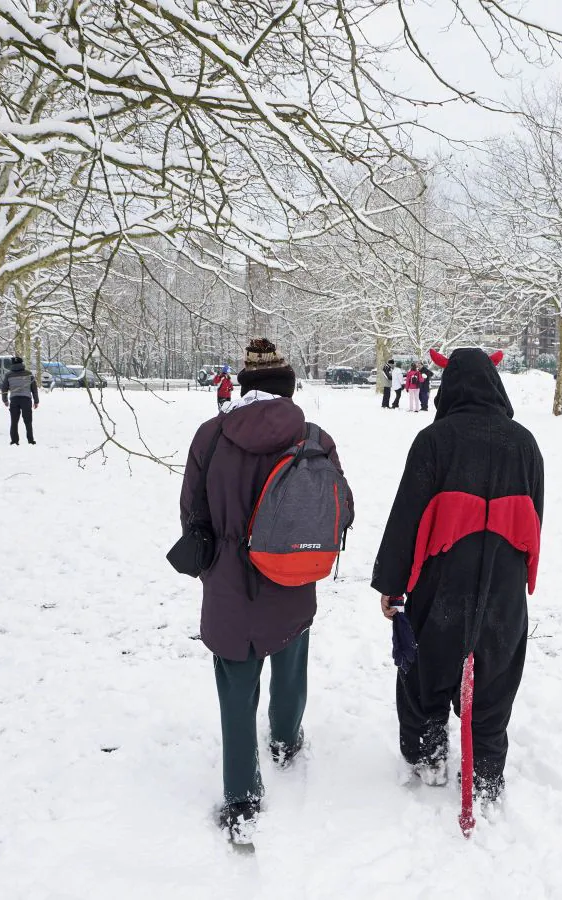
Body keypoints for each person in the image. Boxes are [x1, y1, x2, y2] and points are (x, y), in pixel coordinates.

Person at [180, 338, 353, 844]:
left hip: (230, 584)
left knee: (235, 687)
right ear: (289, 389)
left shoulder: (210, 437)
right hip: (292, 577)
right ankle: (285, 739)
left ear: (245, 386)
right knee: (290, 658)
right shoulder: (315, 438)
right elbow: (344, 508)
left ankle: (241, 796)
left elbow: (193, 516)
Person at [371, 347, 544, 804]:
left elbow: (407, 515)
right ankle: (486, 772)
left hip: (439, 580)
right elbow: (535, 516)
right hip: (502, 585)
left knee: (425, 669)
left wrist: (393, 584)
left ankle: (428, 756)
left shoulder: (435, 441)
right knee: (496, 673)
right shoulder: (524, 443)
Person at [1, 356, 39, 446]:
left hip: (14, 399)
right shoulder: (28, 374)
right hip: (26, 400)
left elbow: (4, 388)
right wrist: (36, 401)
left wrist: (5, 400)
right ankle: (30, 440)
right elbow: (34, 389)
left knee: (14, 421)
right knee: (28, 421)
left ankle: (14, 441)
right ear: (22, 364)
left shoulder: (8, 375)